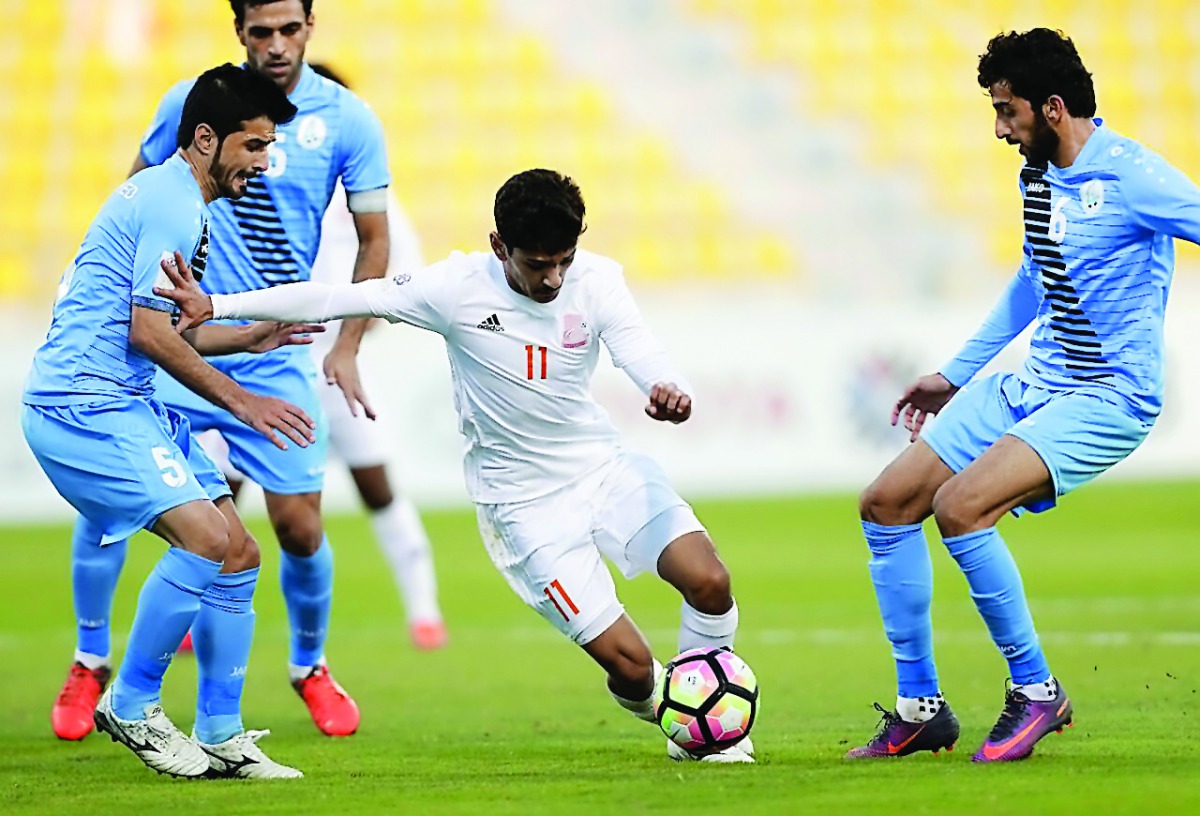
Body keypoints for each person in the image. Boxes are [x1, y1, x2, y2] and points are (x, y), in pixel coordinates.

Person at [157, 168, 754, 763]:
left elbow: (637, 346)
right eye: (537, 264)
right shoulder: (454, 288)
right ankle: (681, 715)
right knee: (631, 668)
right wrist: (215, 304)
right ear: (500, 247)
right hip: (523, 507)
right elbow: (333, 296)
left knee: (710, 581)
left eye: (563, 261)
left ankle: (713, 732)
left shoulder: (597, 280)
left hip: (604, 469)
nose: (552, 278)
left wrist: (665, 386)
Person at [847, 28, 1200, 762]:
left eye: (1007, 112)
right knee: (886, 504)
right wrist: (954, 375)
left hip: (1109, 396)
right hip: (1034, 382)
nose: (1001, 129)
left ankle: (1038, 693)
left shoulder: (1136, 178)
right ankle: (921, 708)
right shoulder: (1038, 176)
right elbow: (1033, 282)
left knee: (961, 507)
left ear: (1053, 106)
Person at [52, 0, 391, 739]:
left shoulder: (351, 122)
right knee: (115, 512)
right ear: (239, 31)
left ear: (311, 27)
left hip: (265, 348)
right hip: (171, 346)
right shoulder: (192, 103)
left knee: (298, 527)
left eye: (289, 30)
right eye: (260, 31)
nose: (275, 45)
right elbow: (135, 195)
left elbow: (374, 242)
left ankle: (308, 666)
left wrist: (347, 344)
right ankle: (91, 660)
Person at [24, 64, 307, 779]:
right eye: (252, 147)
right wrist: (244, 402)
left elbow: (162, 327)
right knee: (209, 539)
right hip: (81, 405)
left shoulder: (181, 200)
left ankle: (221, 731)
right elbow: (147, 335)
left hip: (124, 400)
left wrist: (247, 337)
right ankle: (132, 703)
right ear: (205, 138)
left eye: (268, 147)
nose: (262, 163)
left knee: (239, 552)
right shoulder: (173, 202)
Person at [195, 63, 447, 651]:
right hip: (255, 362)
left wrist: (351, 342)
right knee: (222, 494)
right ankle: (196, 614)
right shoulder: (264, 183)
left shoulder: (375, 205)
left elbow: (398, 279)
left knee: (373, 486)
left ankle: (424, 609)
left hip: (333, 369)